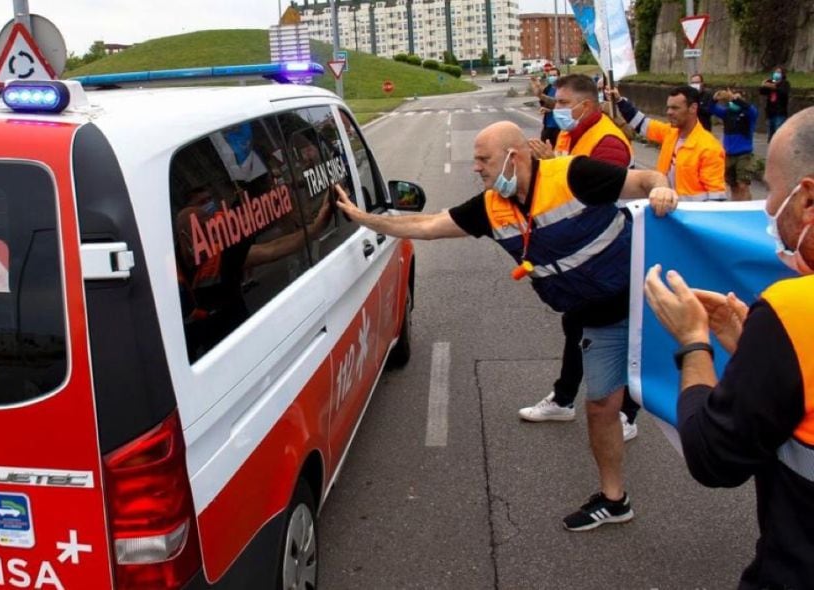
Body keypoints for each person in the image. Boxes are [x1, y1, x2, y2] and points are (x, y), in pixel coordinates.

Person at [335, 121, 680, 531]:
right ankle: (614, 499)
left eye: (483, 159)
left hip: (653, 304)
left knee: (692, 395)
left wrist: (662, 188)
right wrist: (364, 219)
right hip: (600, 322)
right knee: (601, 407)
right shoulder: (490, 206)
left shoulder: (574, 174)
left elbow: (645, 180)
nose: (476, 168)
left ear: (514, 157)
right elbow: (427, 226)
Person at [643, 106, 814, 589]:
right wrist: (752, 352)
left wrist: (694, 344)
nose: (767, 211)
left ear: (806, 200)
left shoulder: (793, 311)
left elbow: (714, 457)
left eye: (772, 196)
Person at [523, 74, 640, 440]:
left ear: (584, 106)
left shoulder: (608, 142)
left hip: (619, 253)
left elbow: (595, 195)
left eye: (560, 103)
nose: (555, 110)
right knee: (575, 323)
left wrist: (555, 165)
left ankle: (627, 414)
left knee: (626, 333)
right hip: (590, 252)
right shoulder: (572, 133)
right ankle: (563, 398)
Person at [611, 85, 727, 201]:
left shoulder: (710, 148)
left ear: (693, 108)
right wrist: (619, 100)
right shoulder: (670, 133)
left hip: (689, 216)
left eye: (675, 108)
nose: (669, 112)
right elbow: (641, 123)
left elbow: (716, 199)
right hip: (664, 210)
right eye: (668, 108)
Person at [710, 89, 758, 201]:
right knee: (733, 186)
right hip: (729, 154)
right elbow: (712, 109)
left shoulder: (749, 114)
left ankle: (746, 207)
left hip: (744, 154)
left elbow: (750, 108)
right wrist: (714, 99)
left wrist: (735, 98)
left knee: (743, 185)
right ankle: (737, 206)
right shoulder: (727, 113)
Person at [530, 64, 561, 146]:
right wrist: (537, 87)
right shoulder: (548, 89)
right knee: (544, 148)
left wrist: (550, 110)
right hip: (548, 125)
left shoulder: (562, 89)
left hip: (559, 126)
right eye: (550, 75)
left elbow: (559, 104)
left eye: (554, 75)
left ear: (559, 76)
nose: (552, 77)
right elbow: (543, 102)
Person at [759, 66, 791, 141]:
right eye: (775, 72)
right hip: (770, 112)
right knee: (771, 134)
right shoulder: (771, 82)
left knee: (778, 134)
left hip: (780, 113)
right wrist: (764, 84)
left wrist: (773, 86)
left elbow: (783, 92)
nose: (776, 74)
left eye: (779, 72)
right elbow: (762, 91)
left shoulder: (785, 84)